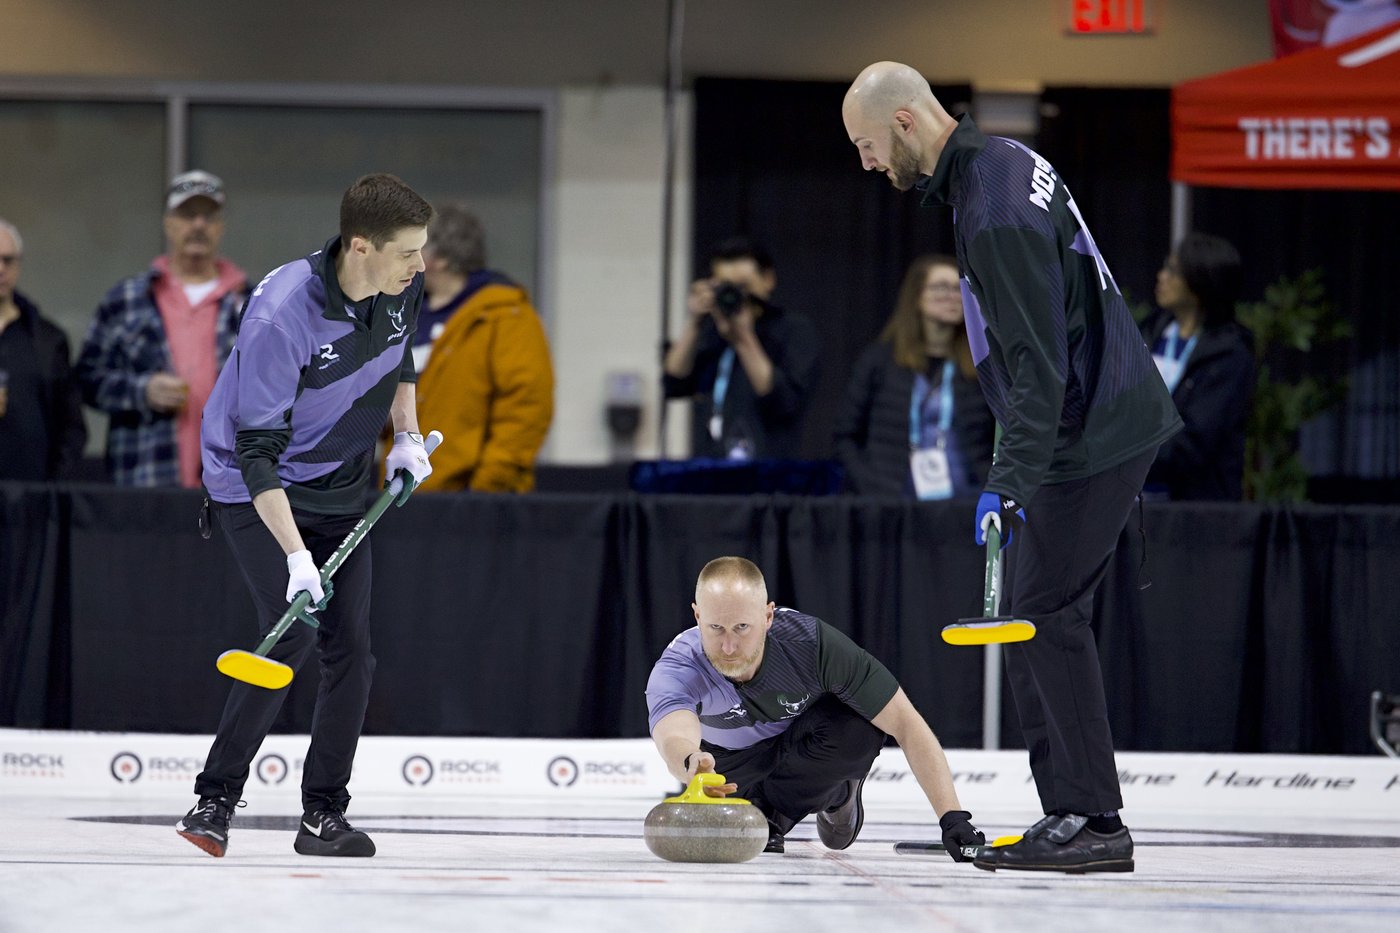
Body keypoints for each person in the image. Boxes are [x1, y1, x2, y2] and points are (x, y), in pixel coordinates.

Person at [842, 62, 1182, 873]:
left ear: (902, 123)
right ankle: (1074, 812)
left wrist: (1007, 477)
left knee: (1042, 609)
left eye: (864, 145)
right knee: (1042, 608)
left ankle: (1091, 820)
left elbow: (1039, 362)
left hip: (1093, 430)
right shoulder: (1000, 164)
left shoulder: (990, 206)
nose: (865, 165)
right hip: (1099, 419)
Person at [177, 174, 434, 859]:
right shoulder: (281, 315)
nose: (421, 265)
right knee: (290, 633)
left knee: (352, 649)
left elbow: (400, 353)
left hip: (342, 480)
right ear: (360, 247)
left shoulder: (400, 284)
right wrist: (295, 556)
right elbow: (255, 450)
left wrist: (405, 436)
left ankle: (323, 814)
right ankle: (214, 799)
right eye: (408, 252)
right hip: (254, 484)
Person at [646, 556, 985, 860]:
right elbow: (673, 734)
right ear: (697, 615)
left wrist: (952, 817)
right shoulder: (679, 665)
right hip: (730, 766)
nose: (730, 646)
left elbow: (906, 724)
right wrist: (693, 764)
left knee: (862, 727)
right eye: (716, 628)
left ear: (767, 616)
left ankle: (801, 806)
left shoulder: (811, 645)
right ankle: (820, 795)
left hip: (805, 745)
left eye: (742, 627)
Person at [75, 171, 247, 487]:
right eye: (186, 215)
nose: (198, 225)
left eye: (208, 216)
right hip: (145, 483)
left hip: (234, 484)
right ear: (168, 224)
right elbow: (85, 380)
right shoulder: (126, 300)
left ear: (221, 227)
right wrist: (142, 391)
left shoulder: (253, 304)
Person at [412, 202, 554, 492]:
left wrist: (490, 486)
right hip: (404, 495)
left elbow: (525, 407)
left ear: (439, 258)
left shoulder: (506, 315)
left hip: (474, 499)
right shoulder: (406, 315)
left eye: (413, 247)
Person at [834, 254, 995, 497]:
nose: (952, 296)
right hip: (892, 505)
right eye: (941, 287)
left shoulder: (982, 363)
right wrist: (870, 487)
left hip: (964, 505)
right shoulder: (879, 360)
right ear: (916, 296)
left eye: (958, 288)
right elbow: (845, 436)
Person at [663, 237, 819, 460]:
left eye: (743, 286)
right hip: (711, 469)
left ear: (768, 279)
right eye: (725, 286)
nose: (736, 296)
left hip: (769, 473)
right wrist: (694, 322)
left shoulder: (794, 330)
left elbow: (783, 402)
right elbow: (674, 382)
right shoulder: (712, 333)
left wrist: (743, 338)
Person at [1141, 232, 1255, 501]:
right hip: (1133, 503)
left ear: (1200, 282)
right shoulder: (1148, 332)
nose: (1161, 276)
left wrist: (1122, 457)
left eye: (1173, 271)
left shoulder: (1230, 353)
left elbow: (1195, 443)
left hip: (1194, 511)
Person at [0, 218, 86, 480]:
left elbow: (71, 428)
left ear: (19, 265)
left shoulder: (48, 340)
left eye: (7, 260)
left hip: (31, 501)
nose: (0, 268)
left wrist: (52, 494)